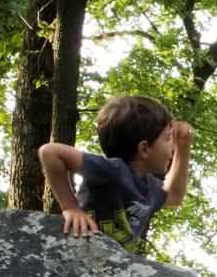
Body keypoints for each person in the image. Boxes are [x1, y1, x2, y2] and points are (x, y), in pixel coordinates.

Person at [38, 95, 194, 255]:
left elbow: (175, 195)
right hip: (79, 250)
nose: (172, 147)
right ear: (144, 149)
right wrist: (70, 206)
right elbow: (50, 152)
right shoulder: (112, 170)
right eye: (168, 139)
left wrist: (184, 148)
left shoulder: (150, 187)